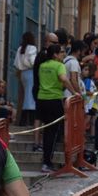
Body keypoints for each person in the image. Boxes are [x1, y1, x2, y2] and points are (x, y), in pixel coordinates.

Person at [36, 43, 75, 172]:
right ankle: (47, 162)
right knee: (53, 132)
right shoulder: (59, 66)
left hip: (41, 99)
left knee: (47, 130)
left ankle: (46, 160)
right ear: (55, 55)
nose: (63, 55)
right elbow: (63, 79)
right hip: (54, 99)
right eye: (61, 52)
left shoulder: (42, 66)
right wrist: (74, 92)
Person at [12, 32, 37, 125]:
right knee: (30, 96)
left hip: (22, 73)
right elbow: (33, 61)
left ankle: (22, 119)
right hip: (30, 72)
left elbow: (16, 63)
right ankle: (29, 120)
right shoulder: (32, 48)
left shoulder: (20, 49)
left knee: (25, 95)